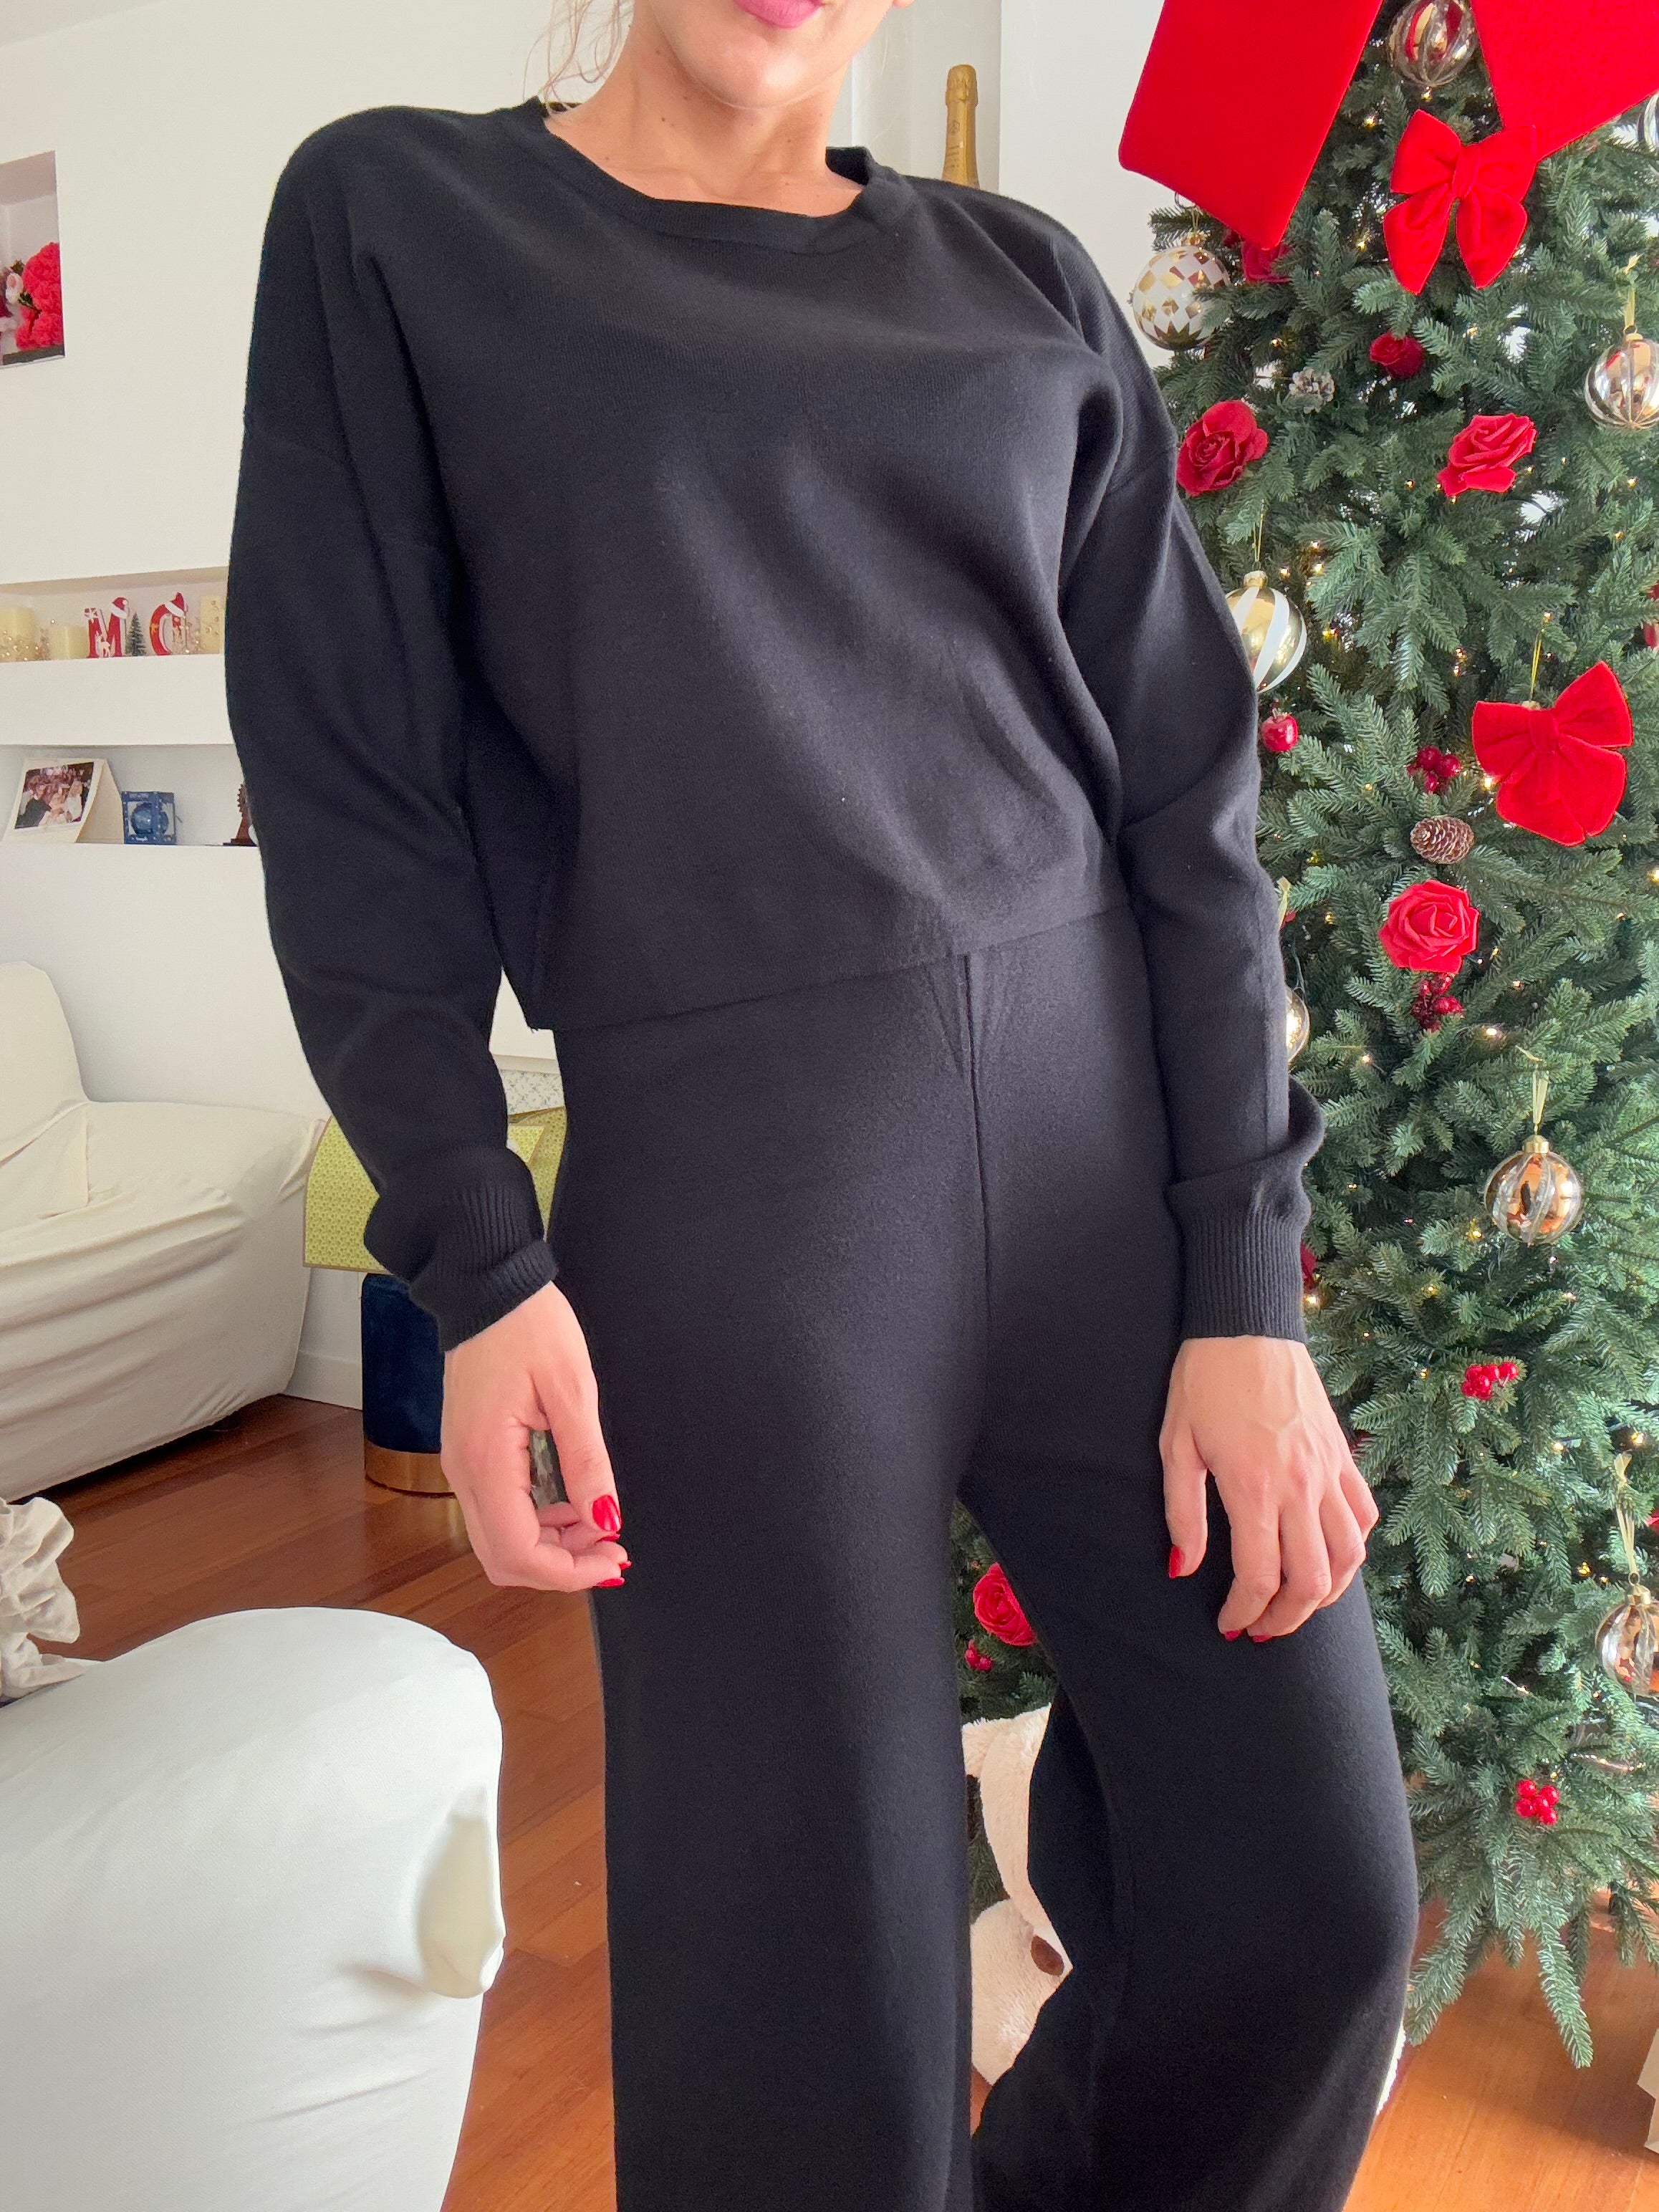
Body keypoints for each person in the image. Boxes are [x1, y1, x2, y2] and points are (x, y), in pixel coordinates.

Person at [223, 3, 1419, 2207]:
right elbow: (353, 796)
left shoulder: (1020, 275)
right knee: (812, 2039)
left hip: (1108, 1193)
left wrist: (1246, 1289)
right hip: (736, 1215)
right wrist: (477, 1266)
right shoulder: (402, 219)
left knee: (1304, 1906)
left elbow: (1185, 801)